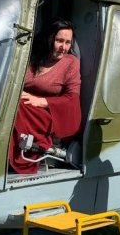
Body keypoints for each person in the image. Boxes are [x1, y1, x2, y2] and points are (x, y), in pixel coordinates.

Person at [8, 18, 81, 174]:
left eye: (68, 42)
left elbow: (72, 98)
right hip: (17, 102)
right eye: (59, 41)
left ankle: (19, 161)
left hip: (47, 113)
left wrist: (41, 101)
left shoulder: (71, 63)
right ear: (48, 39)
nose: (63, 47)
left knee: (16, 107)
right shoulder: (31, 56)